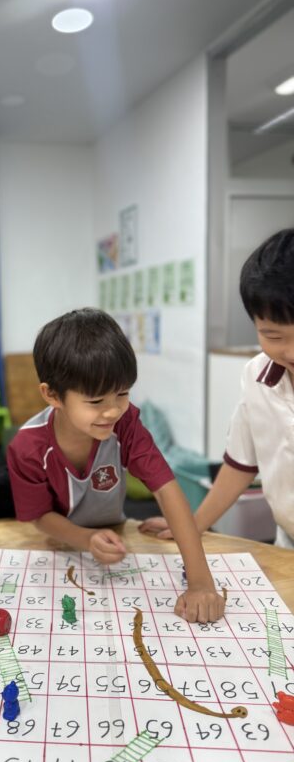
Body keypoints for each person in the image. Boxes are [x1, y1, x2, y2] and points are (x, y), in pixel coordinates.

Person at [0, 308, 224, 623]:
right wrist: (84, 539)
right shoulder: (27, 447)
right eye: (96, 401)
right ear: (52, 395)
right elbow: (39, 517)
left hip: (95, 510)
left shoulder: (126, 423)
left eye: (122, 393)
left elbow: (166, 488)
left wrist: (200, 582)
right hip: (40, 490)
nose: (112, 411)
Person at [139, 229, 294, 550]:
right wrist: (193, 524)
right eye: (273, 336)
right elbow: (240, 464)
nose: (291, 352)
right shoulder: (256, 376)